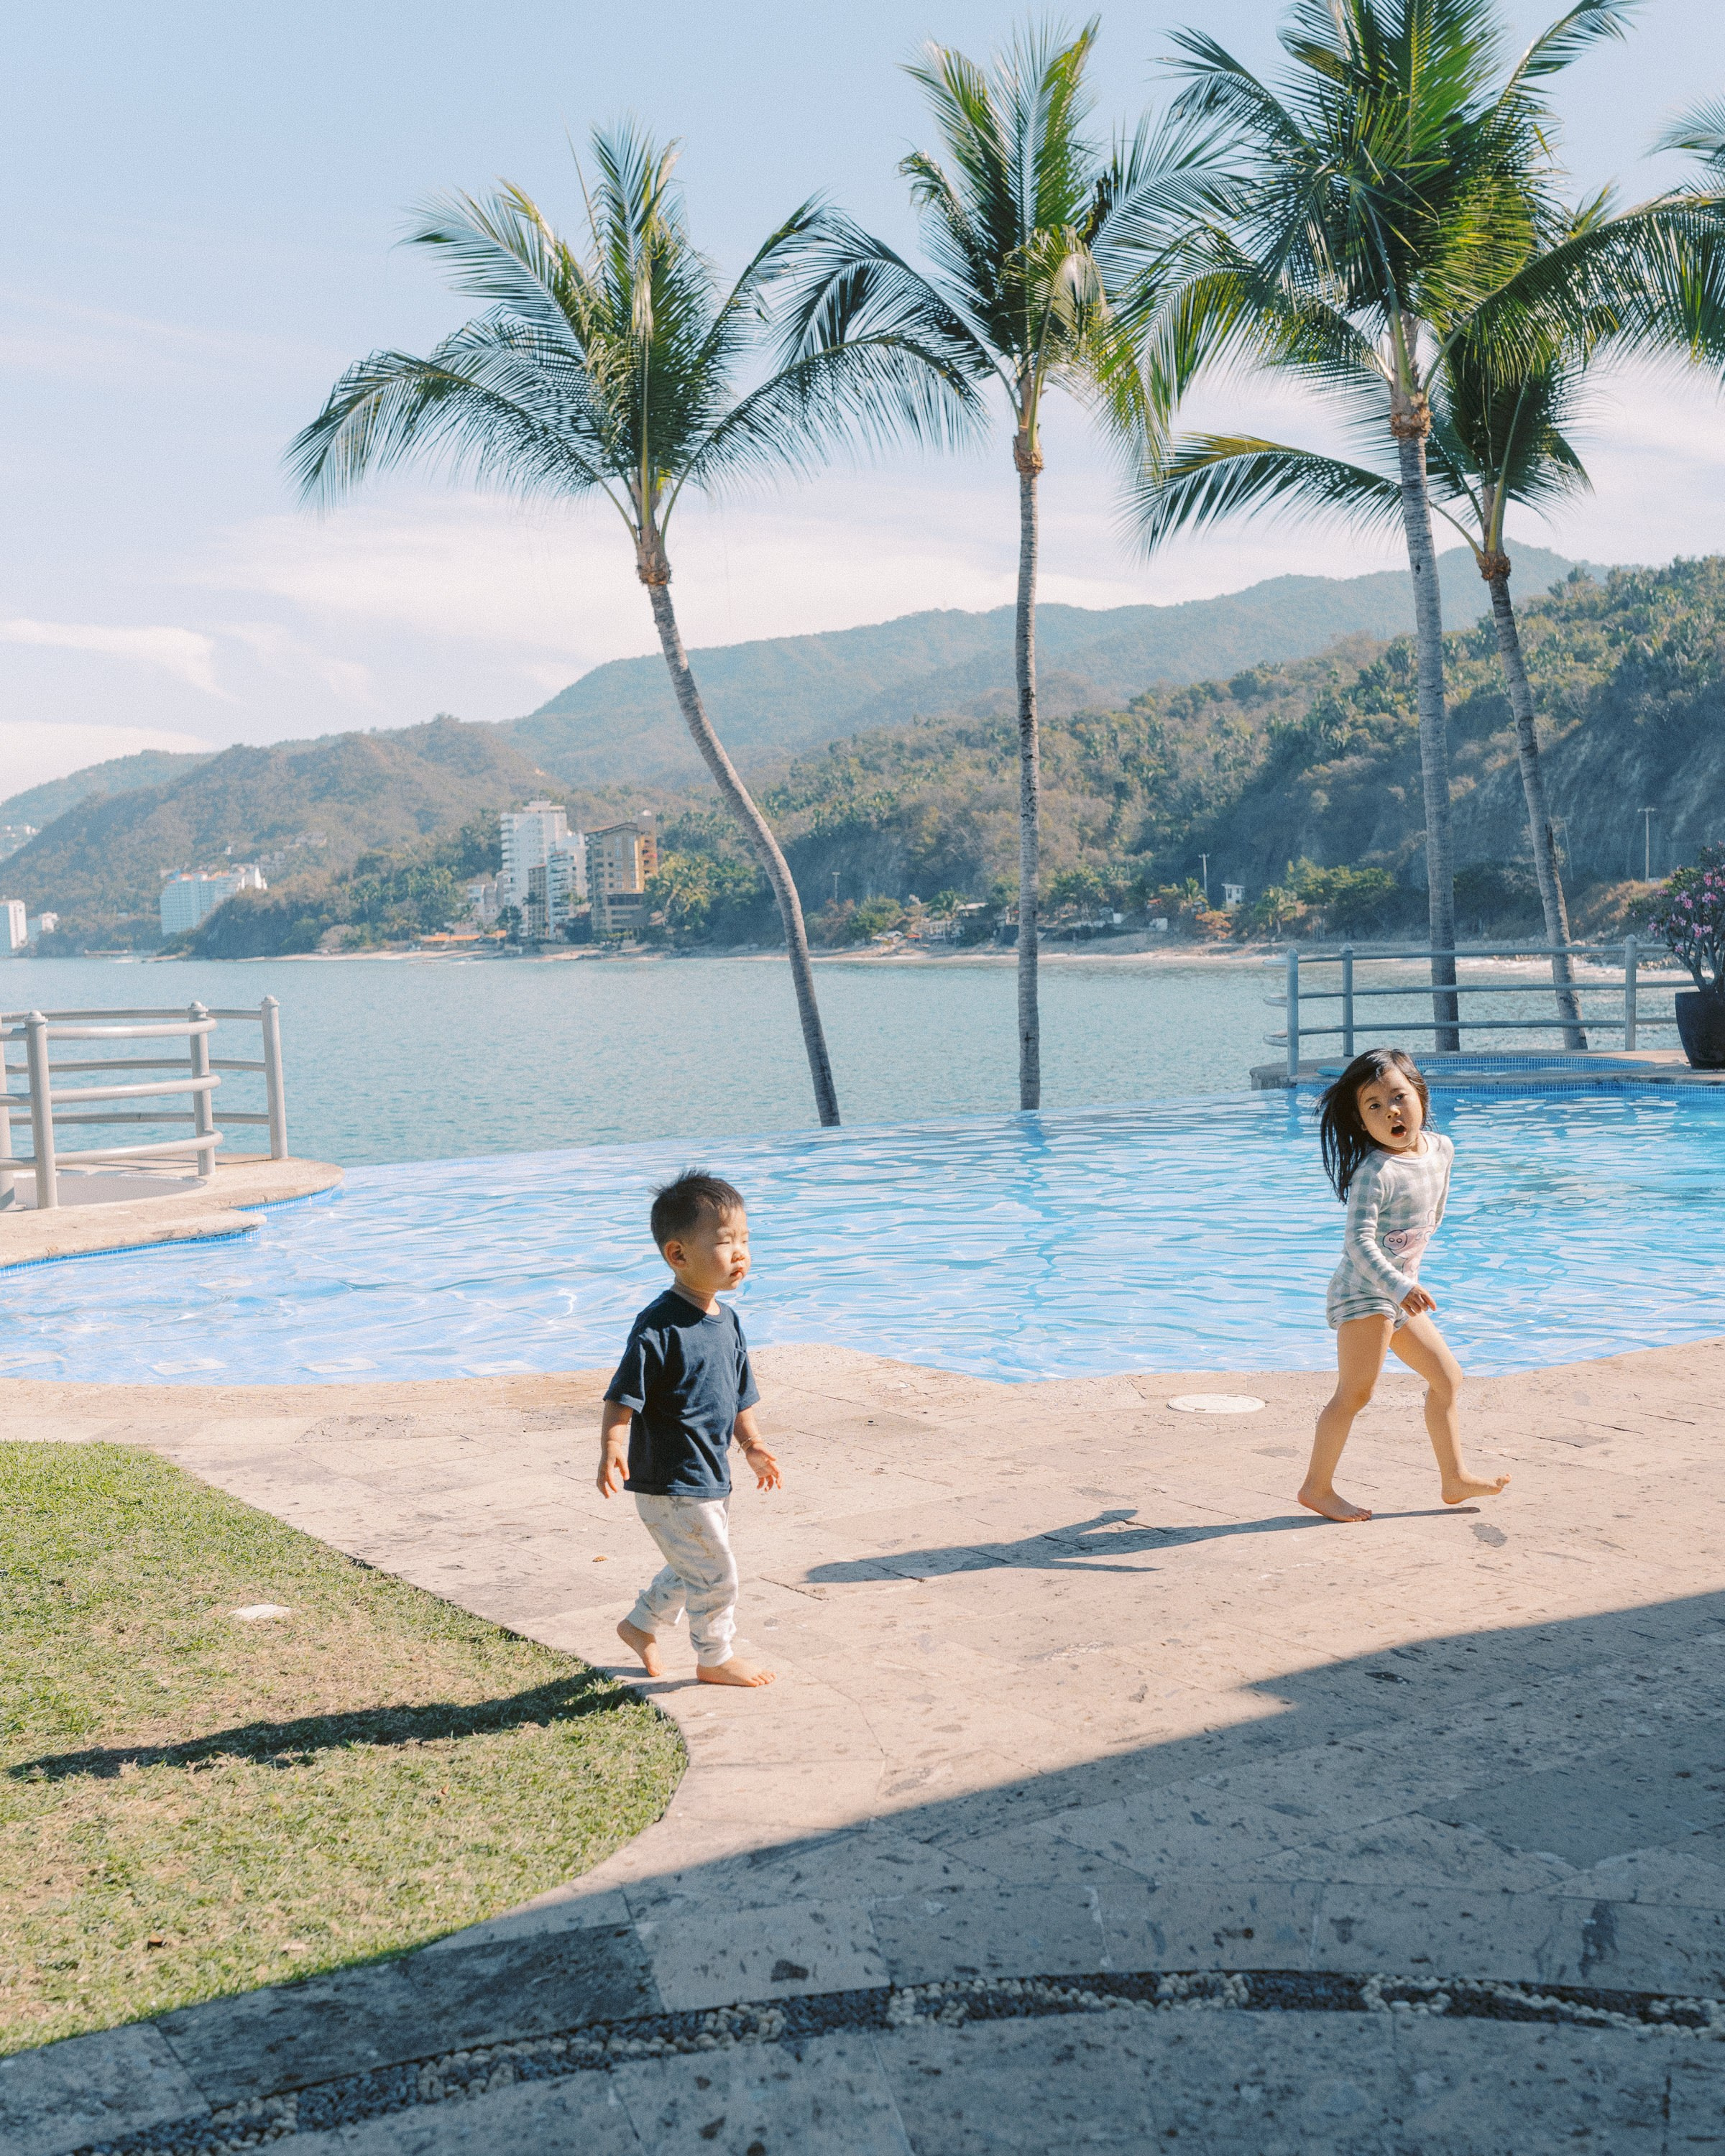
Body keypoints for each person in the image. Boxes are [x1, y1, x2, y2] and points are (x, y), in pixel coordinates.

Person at [1298, 1047, 1510, 1524]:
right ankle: (1316, 1486)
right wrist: (1398, 1283)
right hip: (1365, 1294)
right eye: (1374, 1105)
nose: (1391, 1110)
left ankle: (1454, 1478)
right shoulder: (1374, 1173)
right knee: (1355, 1394)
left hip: (1398, 1291)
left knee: (1447, 1377)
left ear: (1420, 1094)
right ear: (1361, 1122)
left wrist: (1408, 1276)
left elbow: (1432, 1213)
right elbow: (1357, 1244)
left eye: (1398, 1096)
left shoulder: (1442, 1149)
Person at [598, 1169, 781, 1687]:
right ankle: (715, 1656)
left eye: (746, 1239)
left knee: (694, 1564)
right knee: (717, 1573)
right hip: (669, 1479)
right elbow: (622, 1394)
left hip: (708, 1473)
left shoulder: (728, 1321)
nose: (741, 1253)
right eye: (725, 1243)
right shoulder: (658, 1325)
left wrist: (754, 1445)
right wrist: (614, 1444)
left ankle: (640, 1625)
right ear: (678, 1255)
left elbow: (740, 1392)